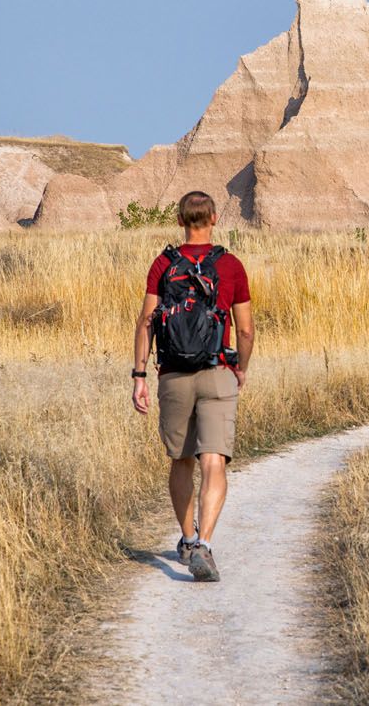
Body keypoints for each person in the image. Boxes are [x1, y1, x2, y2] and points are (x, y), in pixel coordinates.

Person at [131, 191, 254, 582]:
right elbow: (247, 330)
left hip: (172, 376)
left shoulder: (163, 264)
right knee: (213, 460)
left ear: (181, 220)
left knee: (181, 460)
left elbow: (146, 322)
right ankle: (205, 544)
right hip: (218, 371)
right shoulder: (231, 266)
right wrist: (242, 369)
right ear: (214, 218)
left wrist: (139, 376)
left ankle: (186, 539)